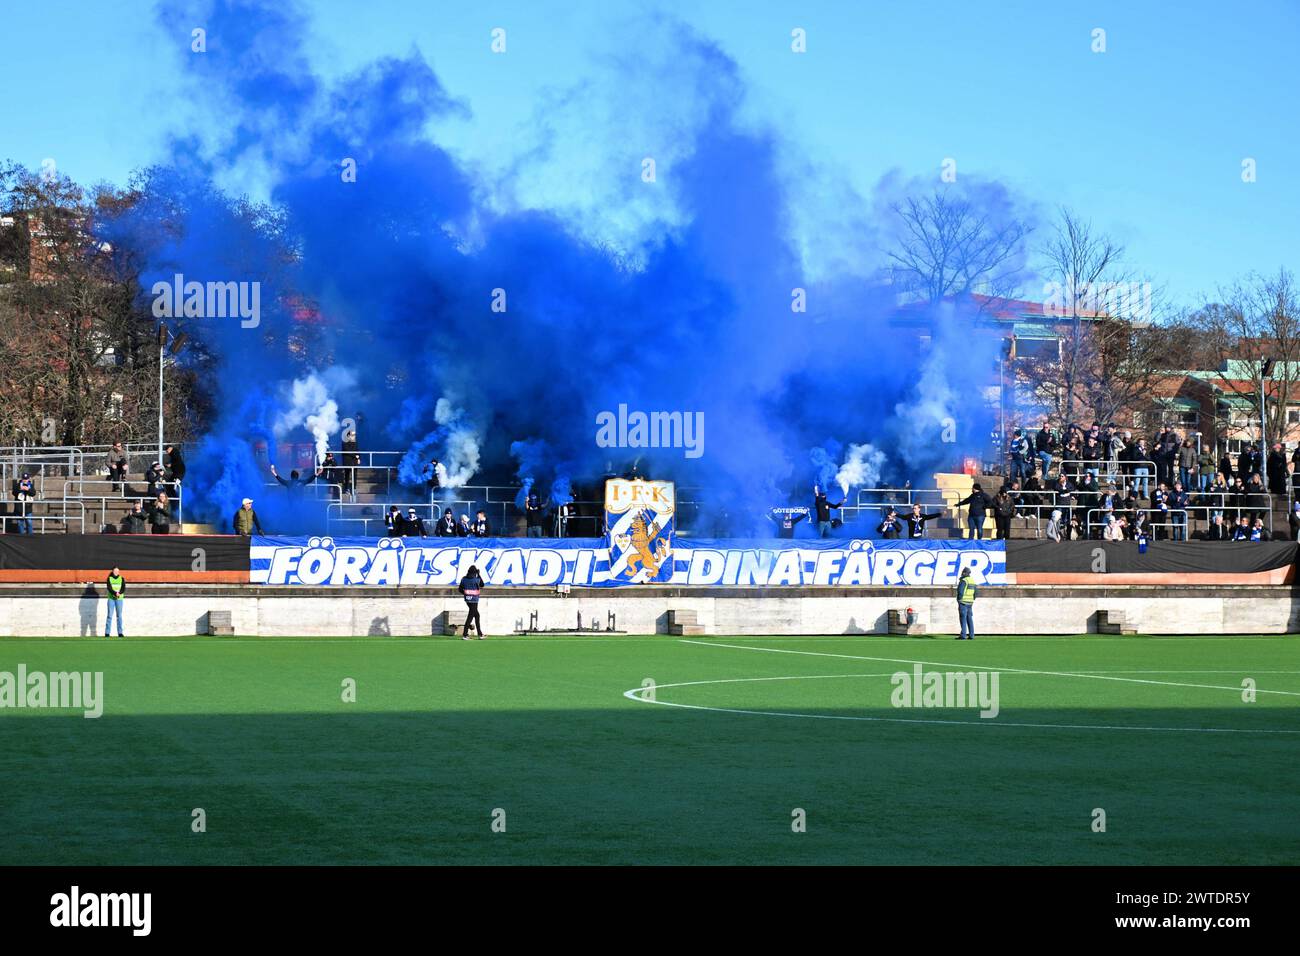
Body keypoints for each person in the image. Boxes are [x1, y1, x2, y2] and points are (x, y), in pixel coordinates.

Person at [458, 564, 485, 639]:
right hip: (474, 600)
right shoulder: (476, 579)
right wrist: (479, 574)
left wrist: (465, 593)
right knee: (470, 616)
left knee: (477, 615)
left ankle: (480, 634)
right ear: (475, 572)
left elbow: (460, 589)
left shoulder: (464, 579)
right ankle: (465, 634)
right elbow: (482, 585)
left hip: (467, 599)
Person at [105, 566, 126, 638]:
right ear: (112, 571)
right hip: (111, 599)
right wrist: (115, 593)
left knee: (119, 616)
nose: (116, 572)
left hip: (119, 599)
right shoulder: (109, 578)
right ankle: (107, 633)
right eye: (115, 571)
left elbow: (123, 588)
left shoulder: (121, 578)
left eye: (118, 571)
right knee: (109, 616)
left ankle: (120, 633)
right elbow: (109, 588)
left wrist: (119, 593)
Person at [956, 568, 976, 640]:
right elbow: (976, 592)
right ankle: (971, 635)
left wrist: (959, 599)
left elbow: (960, 591)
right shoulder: (972, 581)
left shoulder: (964, 581)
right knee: (969, 618)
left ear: (964, 573)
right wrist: (972, 599)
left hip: (963, 602)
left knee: (963, 618)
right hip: (970, 602)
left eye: (963, 572)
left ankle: (963, 635)